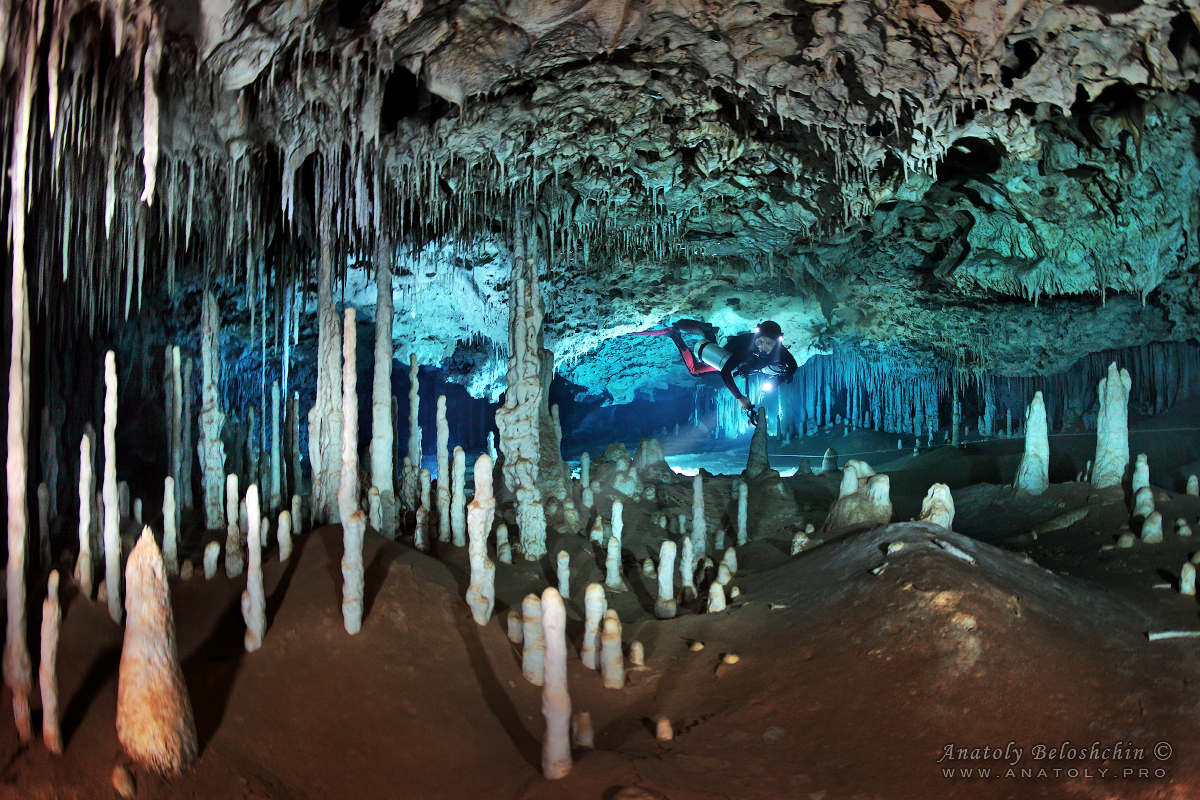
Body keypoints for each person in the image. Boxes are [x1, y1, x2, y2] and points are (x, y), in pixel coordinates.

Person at [664, 319, 798, 422]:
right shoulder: (747, 348)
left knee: (722, 354)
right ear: (757, 337)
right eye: (761, 342)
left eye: (769, 343)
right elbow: (725, 371)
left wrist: (779, 381)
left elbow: (793, 366)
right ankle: (676, 336)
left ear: (777, 342)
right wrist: (739, 397)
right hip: (730, 355)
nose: (763, 347)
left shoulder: (779, 350)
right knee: (695, 370)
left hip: (743, 361)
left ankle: (708, 331)